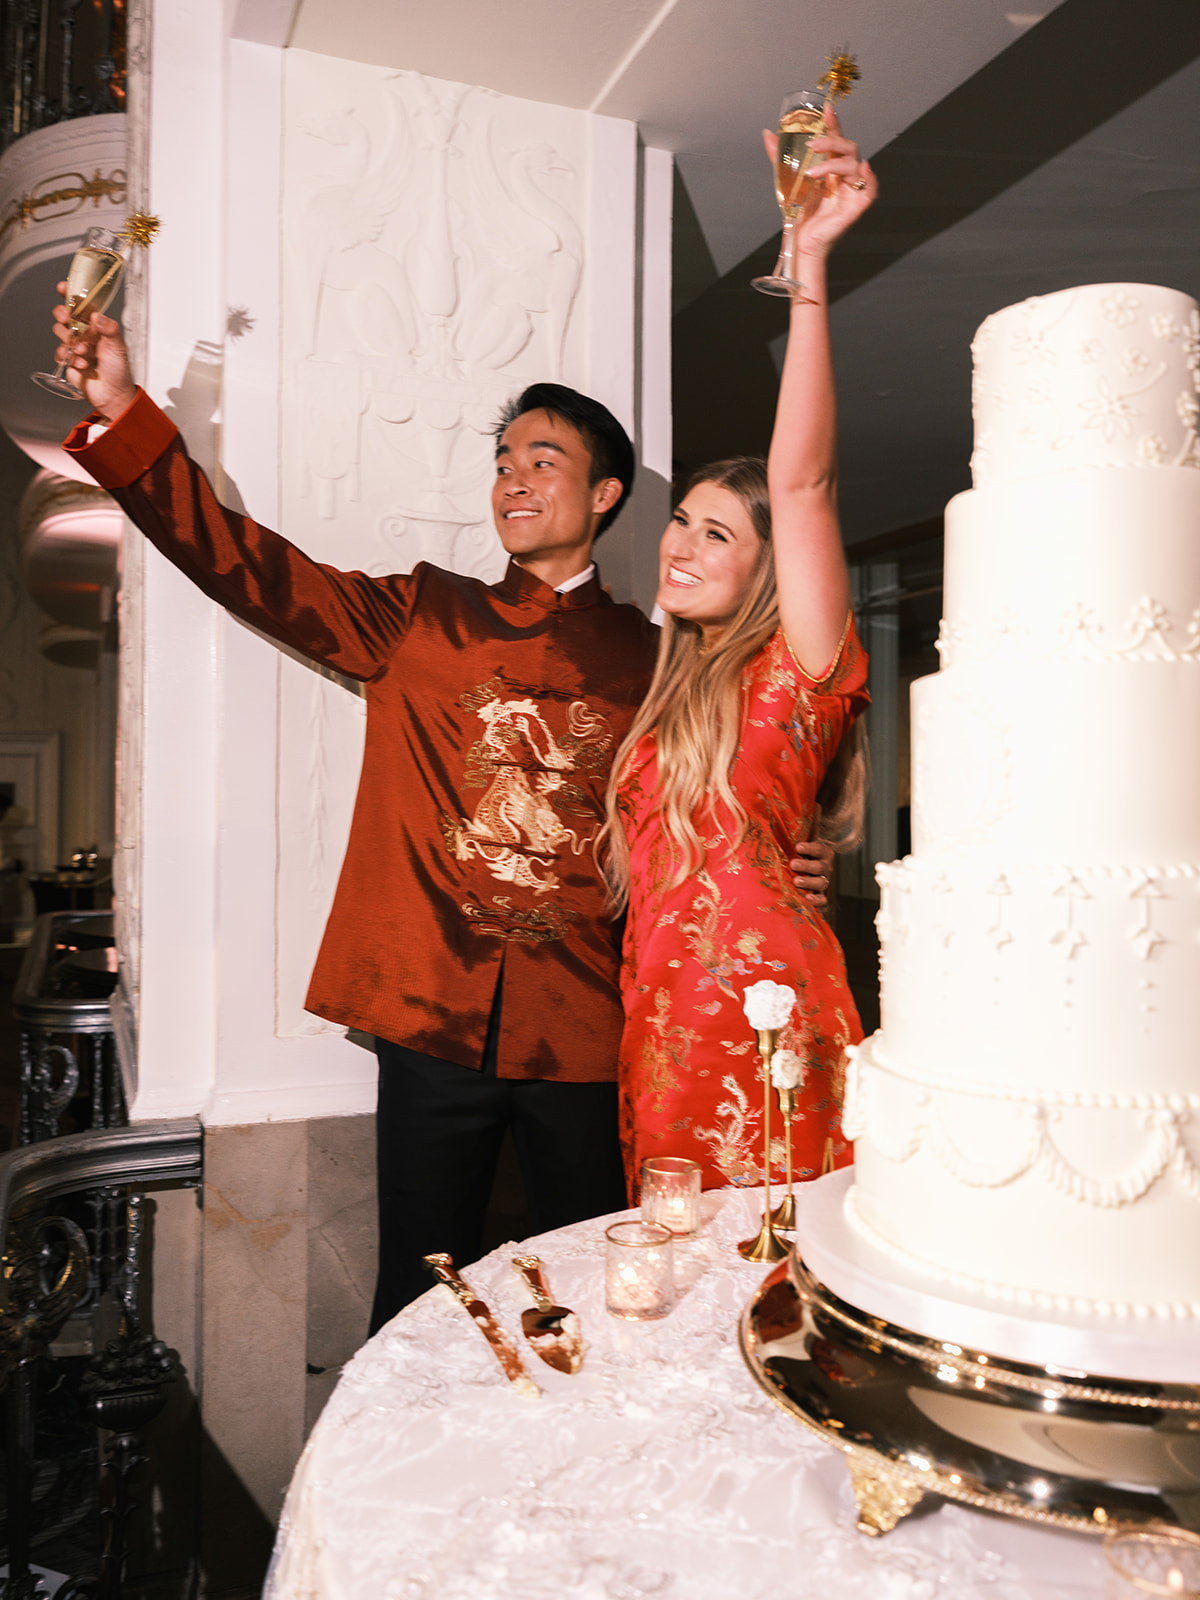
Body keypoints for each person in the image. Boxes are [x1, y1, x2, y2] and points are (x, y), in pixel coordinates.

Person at [50, 298, 837, 1327]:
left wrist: (797, 855)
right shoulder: (422, 614)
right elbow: (244, 561)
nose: (514, 479)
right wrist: (122, 416)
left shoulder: (659, 662)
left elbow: (736, 792)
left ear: (603, 493)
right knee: (419, 1287)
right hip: (431, 1013)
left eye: (543, 460)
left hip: (592, 1029)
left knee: (602, 1284)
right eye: (504, 461)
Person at [604, 112, 874, 1195]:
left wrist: (807, 272)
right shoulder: (670, 697)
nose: (681, 543)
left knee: (769, 1292)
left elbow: (802, 481)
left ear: (770, 569)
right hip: (658, 1030)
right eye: (684, 522)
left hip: (769, 1025)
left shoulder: (798, 668)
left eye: (719, 532)